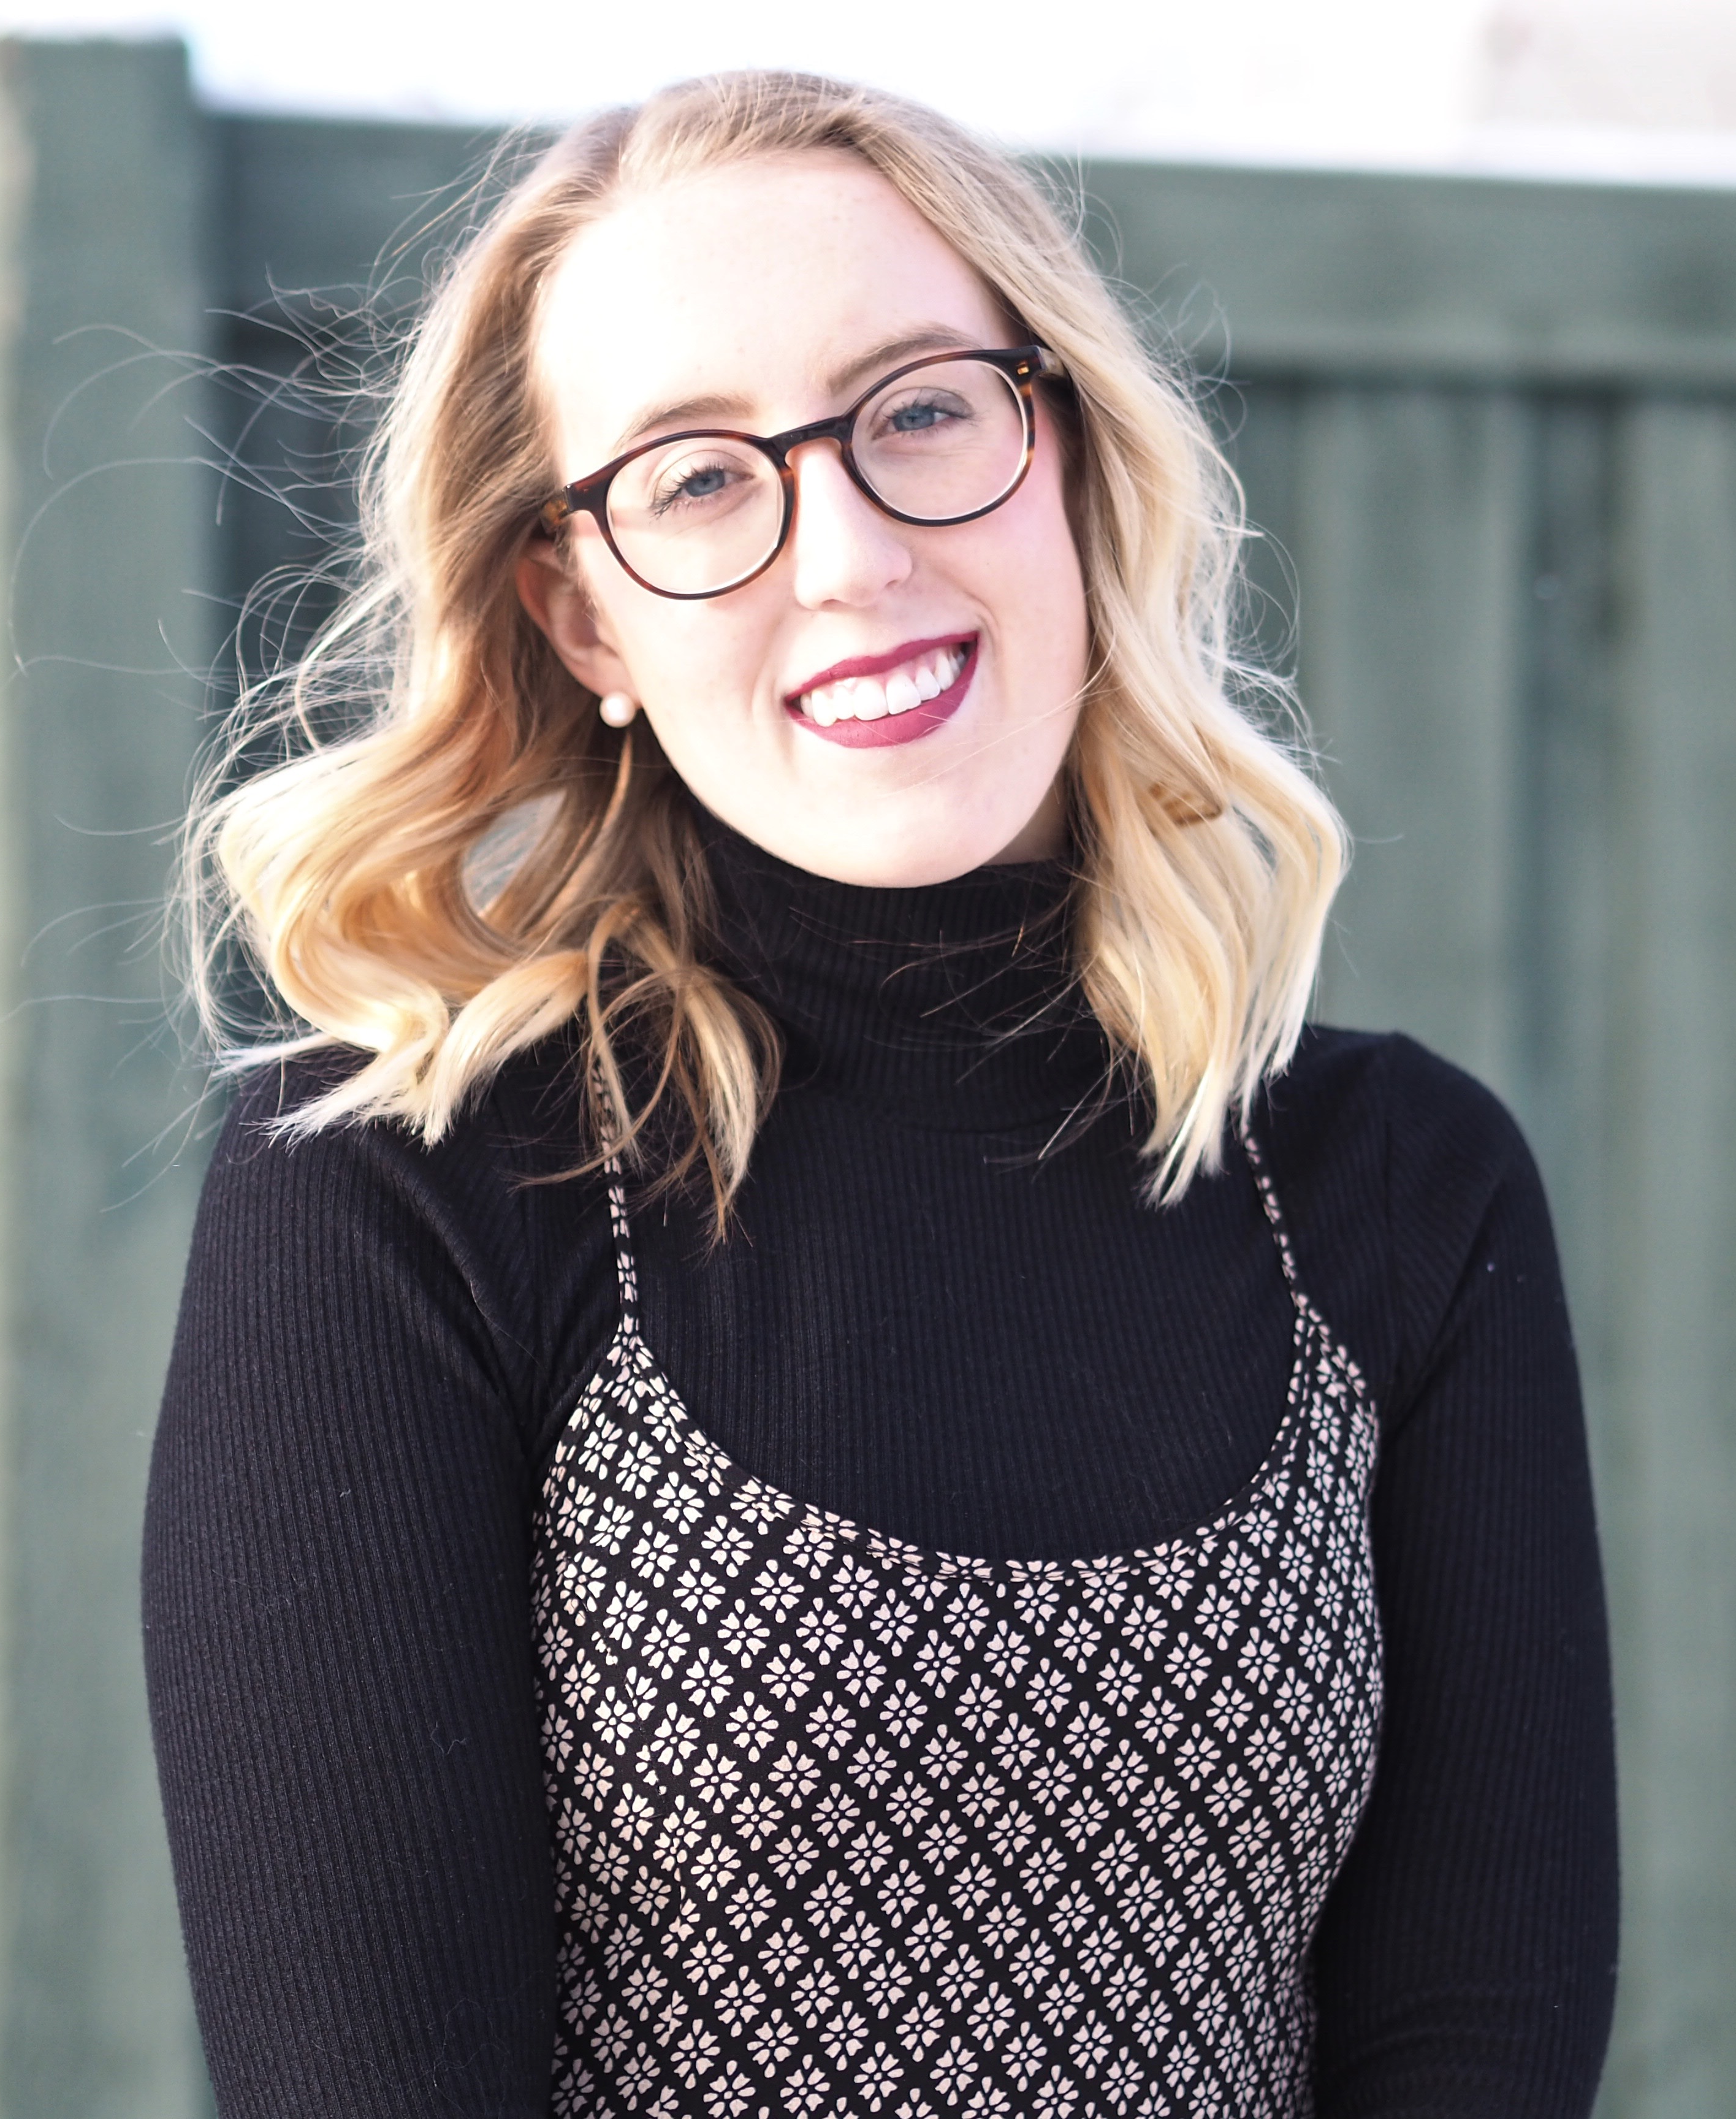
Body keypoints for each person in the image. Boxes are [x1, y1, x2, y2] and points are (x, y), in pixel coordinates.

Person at [144, 69, 1616, 2119]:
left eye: (922, 408)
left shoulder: (1392, 1190)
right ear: (583, 617)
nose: (843, 552)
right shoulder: (410, 1194)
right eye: (692, 477)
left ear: (1071, 459)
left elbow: (1477, 2045)